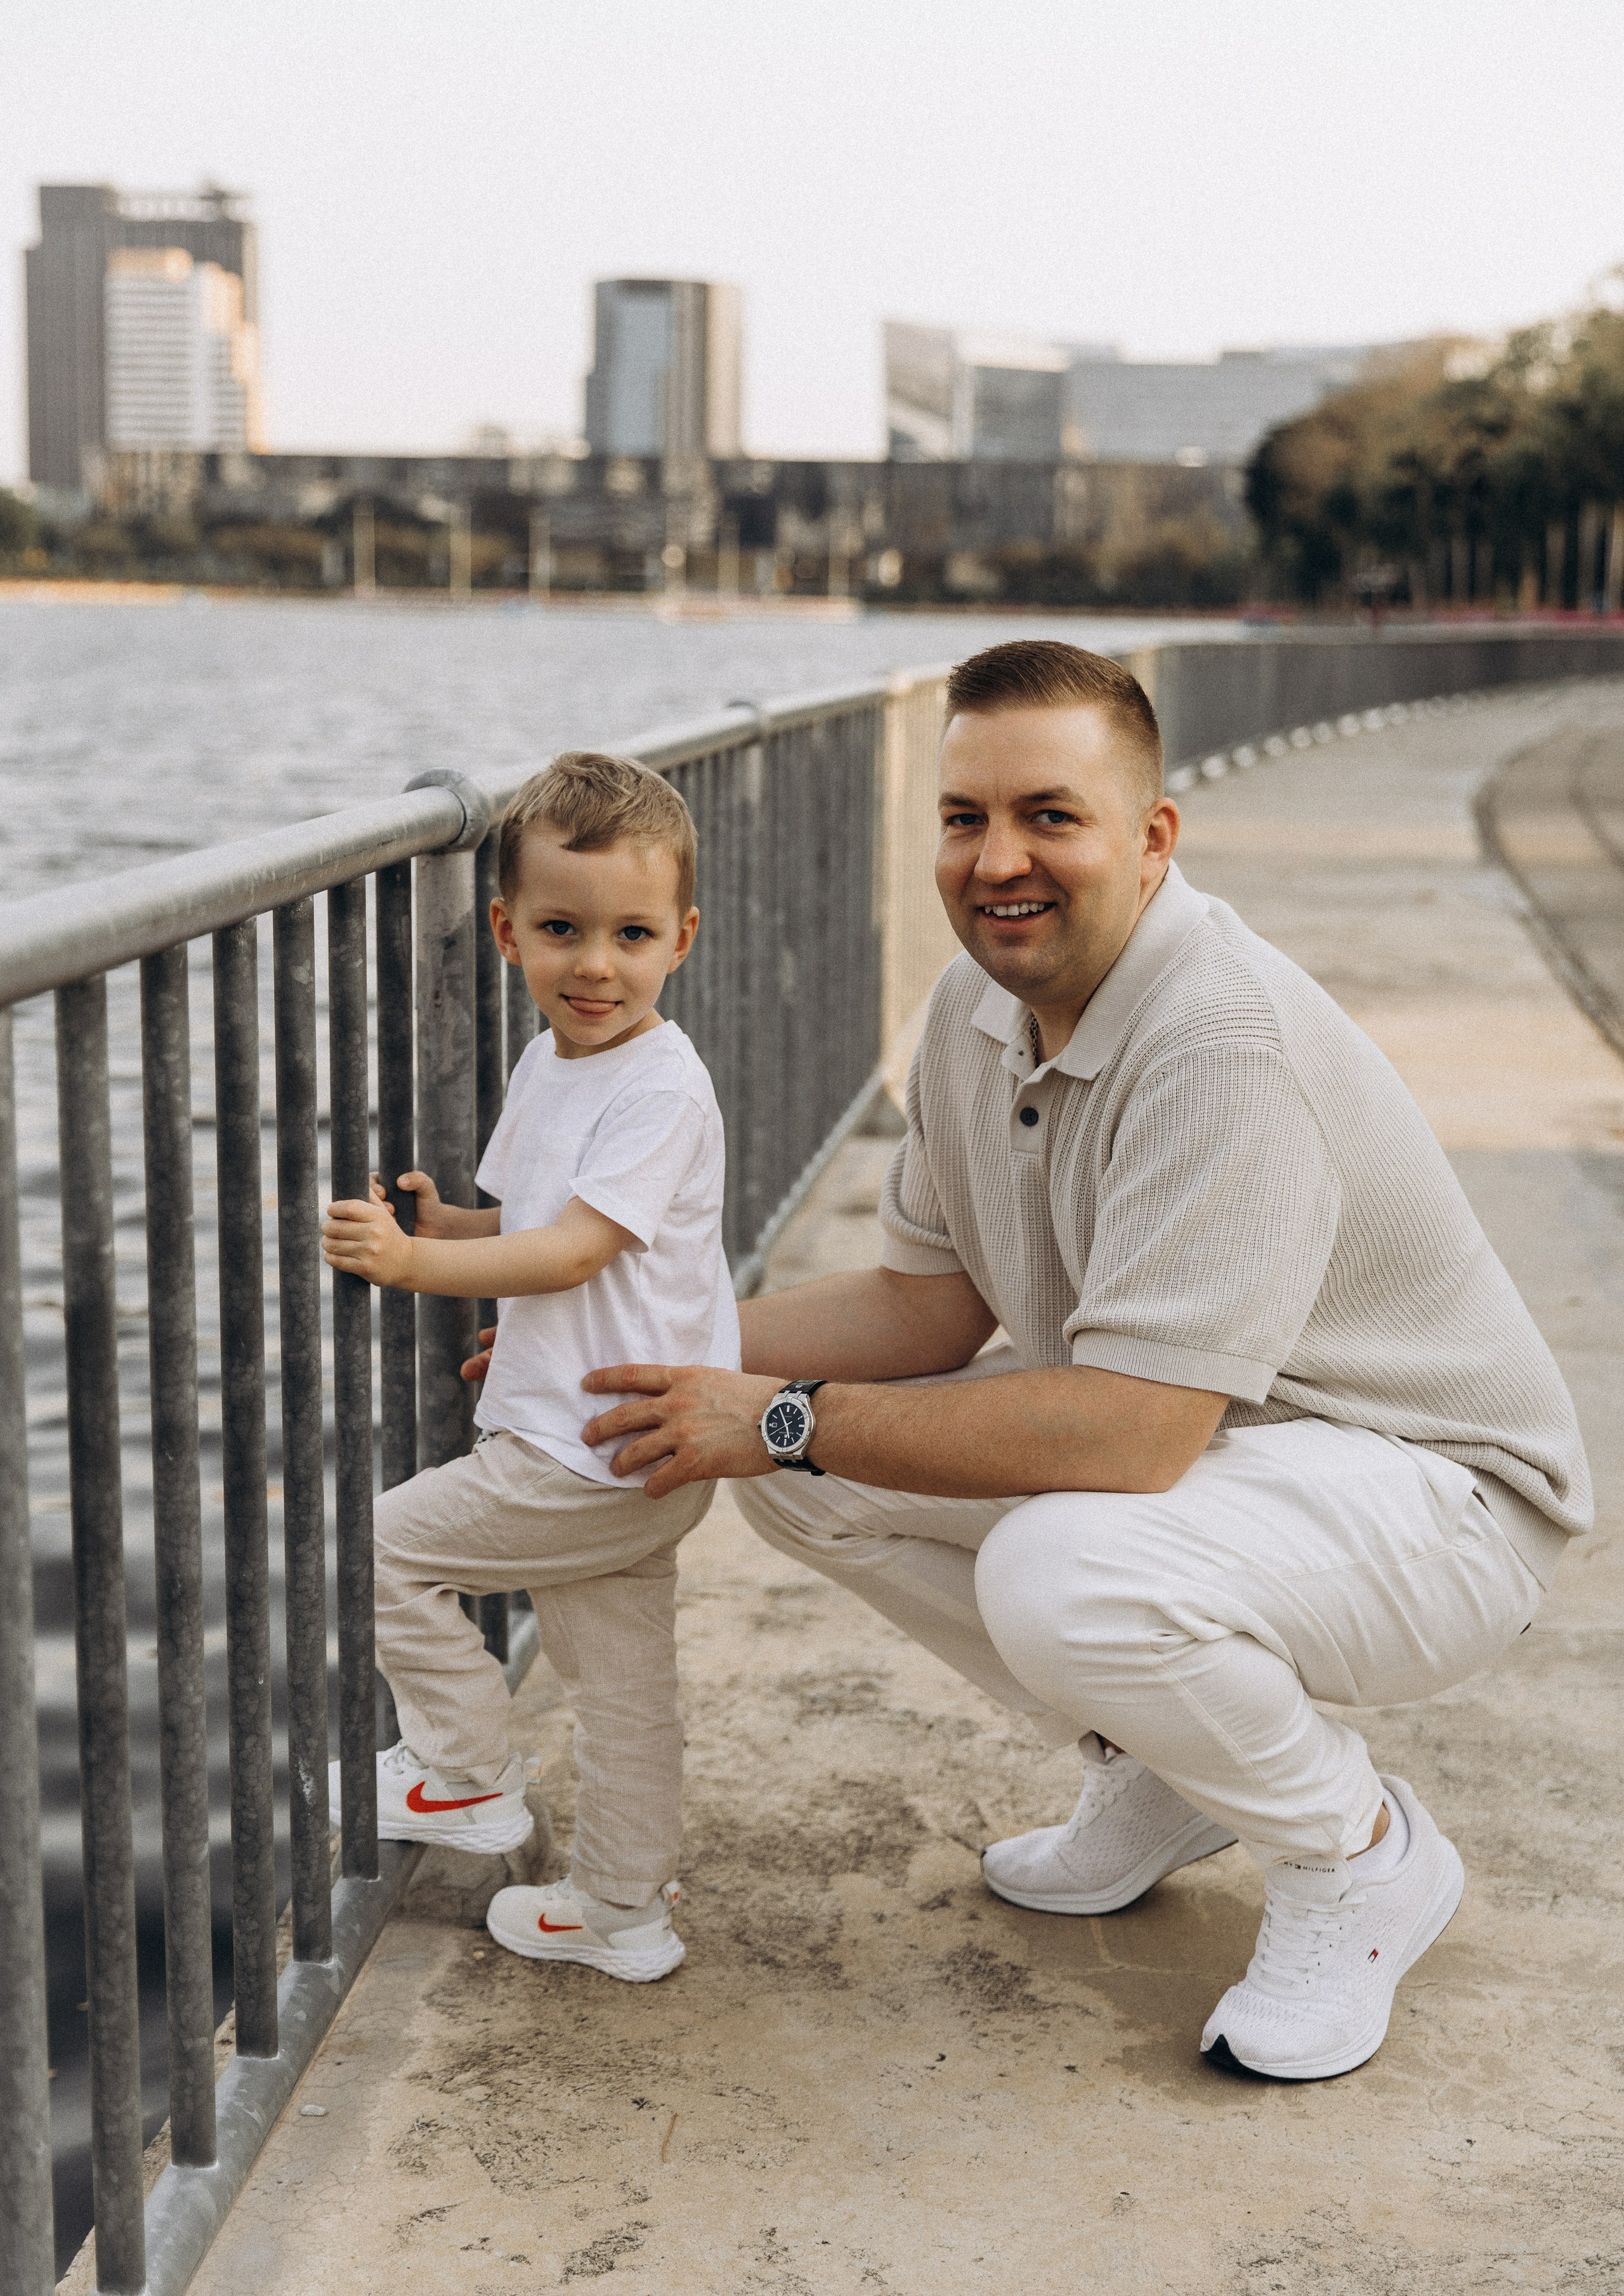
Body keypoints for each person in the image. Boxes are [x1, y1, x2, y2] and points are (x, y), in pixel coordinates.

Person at [577, 640, 1590, 2079]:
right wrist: (637, 1349)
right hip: (1234, 1457)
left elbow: (1127, 1442)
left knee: (1048, 1564)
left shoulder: (1217, 1042)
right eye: (962, 817)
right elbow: (926, 1309)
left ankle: (1356, 1849)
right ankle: (1167, 1772)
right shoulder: (968, 1013)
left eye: (1050, 815)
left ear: (1150, 837)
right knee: (800, 1477)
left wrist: (784, 1414)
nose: (998, 860)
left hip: (1434, 1502)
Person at [321, 751, 735, 1984]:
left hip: (595, 1450)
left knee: (392, 1544)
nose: (594, 964)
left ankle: (459, 1773)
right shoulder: (552, 1062)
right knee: (618, 1687)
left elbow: (567, 1255)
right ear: (506, 931)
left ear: (682, 939)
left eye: (630, 933)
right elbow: (526, 1233)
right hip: (620, 1433)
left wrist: (401, 1267)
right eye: (561, 929)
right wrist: (443, 1229)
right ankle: (620, 1910)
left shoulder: (661, 1085)